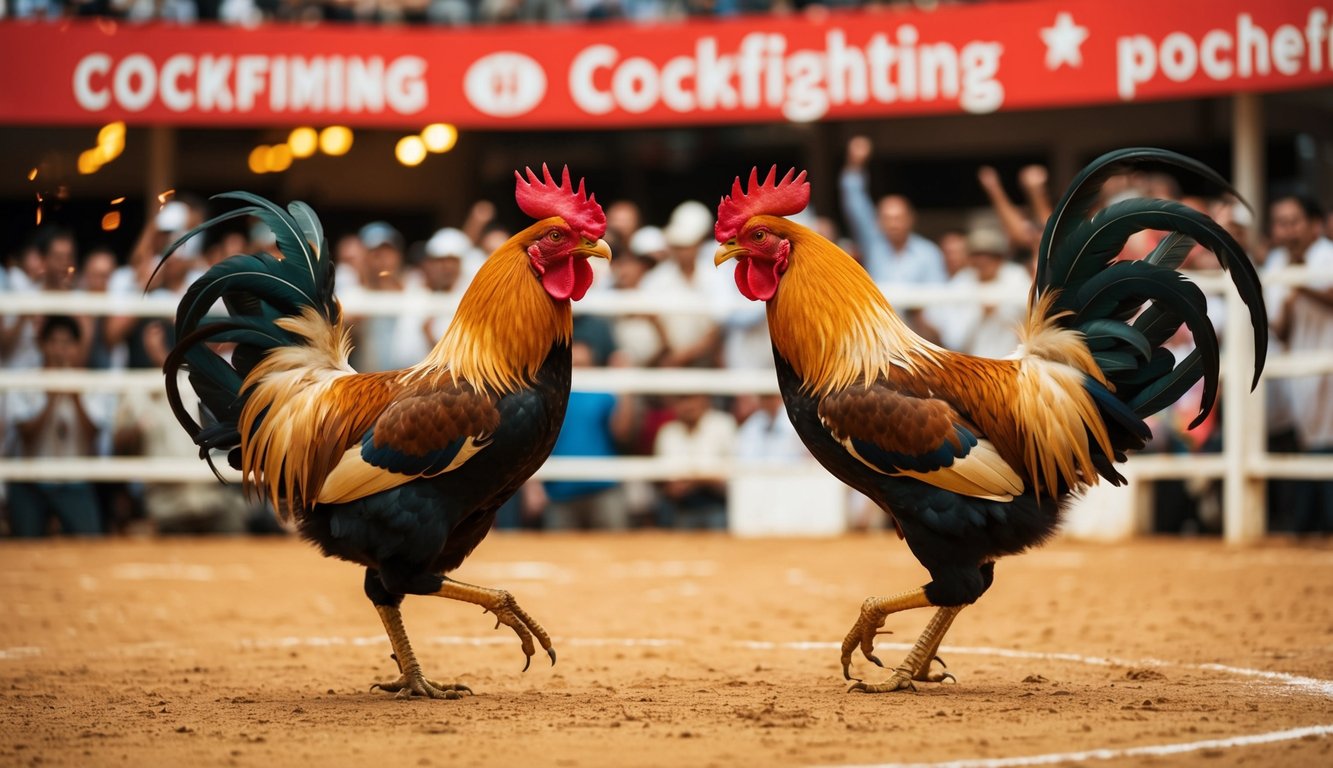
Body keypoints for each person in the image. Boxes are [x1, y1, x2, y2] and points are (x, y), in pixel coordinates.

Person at [5, 316, 113, 537]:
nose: (60, 350)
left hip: (75, 482)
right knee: (24, 548)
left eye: (67, 343)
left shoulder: (91, 383)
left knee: (90, 544)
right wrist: (52, 397)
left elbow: (93, 434)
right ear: (42, 345)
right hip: (31, 482)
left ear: (76, 348)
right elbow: (26, 436)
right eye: (54, 342)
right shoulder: (24, 381)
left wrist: (74, 394)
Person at [1265, 193, 1333, 532]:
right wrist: (1292, 291)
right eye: (1280, 223)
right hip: (1299, 369)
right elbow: (1280, 328)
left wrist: (1300, 281)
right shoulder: (1277, 263)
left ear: (1313, 225)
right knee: (1308, 442)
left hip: (1328, 365)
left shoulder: (1327, 255)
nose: (1287, 231)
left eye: (1294, 222)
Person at [540, 340, 638, 530]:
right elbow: (531, 442)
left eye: (583, 365)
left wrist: (625, 385)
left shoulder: (604, 392)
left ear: (593, 366)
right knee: (556, 555)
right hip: (559, 492)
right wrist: (533, 486)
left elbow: (623, 432)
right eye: (573, 365)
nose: (578, 371)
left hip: (603, 488)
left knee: (618, 553)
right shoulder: (550, 394)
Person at [839, 135, 947, 286]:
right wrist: (855, 165)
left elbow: (938, 297)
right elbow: (855, 205)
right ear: (878, 221)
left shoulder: (929, 253)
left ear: (911, 219)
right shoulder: (872, 245)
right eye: (887, 218)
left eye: (898, 218)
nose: (893, 224)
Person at [922, 227, 1031, 358]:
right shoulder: (960, 284)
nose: (983, 261)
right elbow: (953, 340)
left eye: (990, 255)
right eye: (977, 255)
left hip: (1014, 362)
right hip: (973, 366)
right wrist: (980, 313)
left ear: (1000, 258)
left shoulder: (1017, 277)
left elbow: (1032, 320)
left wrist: (1000, 310)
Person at [639, 201, 723, 368]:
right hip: (666, 358)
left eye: (686, 246)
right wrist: (673, 352)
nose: (682, 252)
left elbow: (718, 325)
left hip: (706, 359)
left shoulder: (714, 277)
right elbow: (650, 316)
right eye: (678, 246)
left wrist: (687, 355)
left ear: (698, 245)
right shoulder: (656, 279)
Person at [653, 393, 736, 529]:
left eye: (692, 399)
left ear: (705, 400)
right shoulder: (668, 432)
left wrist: (695, 480)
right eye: (682, 400)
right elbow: (664, 480)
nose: (687, 406)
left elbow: (731, 473)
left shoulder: (722, 425)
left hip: (717, 504)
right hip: (680, 507)